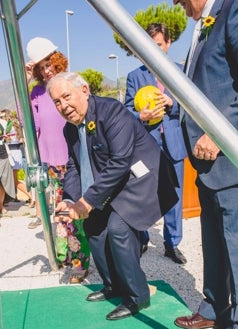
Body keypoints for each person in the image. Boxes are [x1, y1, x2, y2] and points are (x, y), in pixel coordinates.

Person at [49, 72, 178, 320]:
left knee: (118, 228)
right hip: (115, 181)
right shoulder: (70, 129)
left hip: (142, 177)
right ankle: (114, 286)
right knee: (94, 225)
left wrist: (87, 201)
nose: (63, 106)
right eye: (57, 102)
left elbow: (120, 162)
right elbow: (75, 165)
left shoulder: (112, 111)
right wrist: (68, 199)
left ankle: (137, 296)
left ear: (84, 90)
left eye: (67, 96)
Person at [172, 1, 238, 329]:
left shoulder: (233, 9)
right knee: (213, 244)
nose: (182, 9)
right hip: (206, 166)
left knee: (237, 248)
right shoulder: (203, 26)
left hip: (228, 158)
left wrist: (221, 132)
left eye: (182, 2)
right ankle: (214, 311)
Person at [26, 37, 90, 284]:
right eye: (40, 67)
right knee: (59, 215)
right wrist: (28, 83)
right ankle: (65, 255)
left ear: (57, 60)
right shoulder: (37, 92)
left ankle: (79, 263)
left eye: (48, 64)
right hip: (50, 161)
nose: (46, 70)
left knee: (76, 213)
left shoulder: (73, 82)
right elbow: (30, 124)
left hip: (73, 157)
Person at [125, 23, 187, 264]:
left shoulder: (180, 71)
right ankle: (141, 237)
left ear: (168, 43)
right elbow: (127, 110)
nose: (154, 49)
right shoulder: (134, 76)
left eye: (158, 44)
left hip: (173, 142)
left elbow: (191, 106)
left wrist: (172, 104)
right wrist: (140, 116)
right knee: (143, 192)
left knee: (176, 195)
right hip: (145, 143)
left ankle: (172, 244)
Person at [0, 108, 33, 205]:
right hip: (17, 152)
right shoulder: (16, 125)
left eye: (2, 116)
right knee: (11, 179)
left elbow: (10, 140)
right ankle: (7, 200)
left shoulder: (9, 127)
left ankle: (31, 196)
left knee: (14, 180)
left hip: (12, 153)